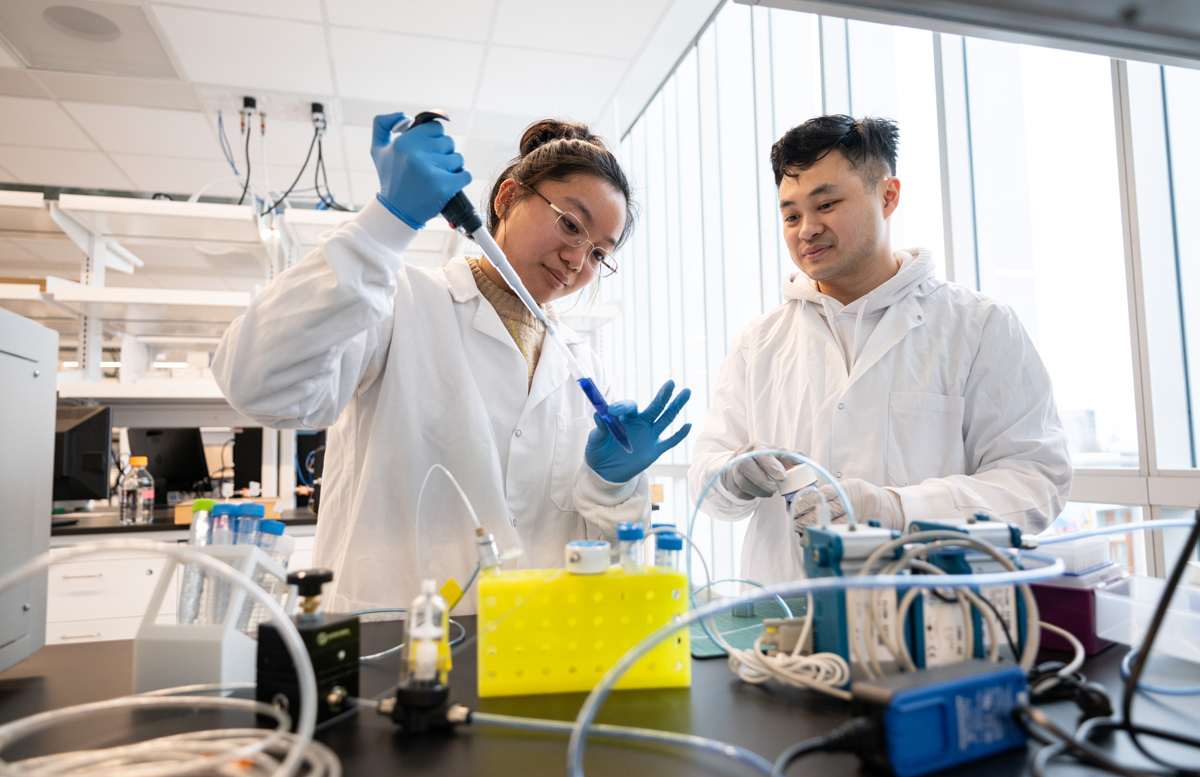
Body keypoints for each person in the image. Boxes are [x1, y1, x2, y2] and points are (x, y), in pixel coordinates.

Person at [214, 114, 690, 612]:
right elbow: (256, 385)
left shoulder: (584, 367)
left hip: (532, 648)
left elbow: (605, 558)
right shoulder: (401, 302)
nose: (577, 259)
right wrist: (384, 225)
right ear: (506, 199)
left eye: (598, 253)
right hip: (394, 637)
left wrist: (610, 488)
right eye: (570, 224)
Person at [687, 114, 1072, 587]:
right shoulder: (759, 342)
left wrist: (896, 510)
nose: (806, 229)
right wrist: (732, 475)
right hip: (783, 615)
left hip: (925, 611)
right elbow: (707, 482)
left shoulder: (978, 326)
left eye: (826, 203)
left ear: (887, 196)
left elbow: (1035, 480)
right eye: (791, 215)